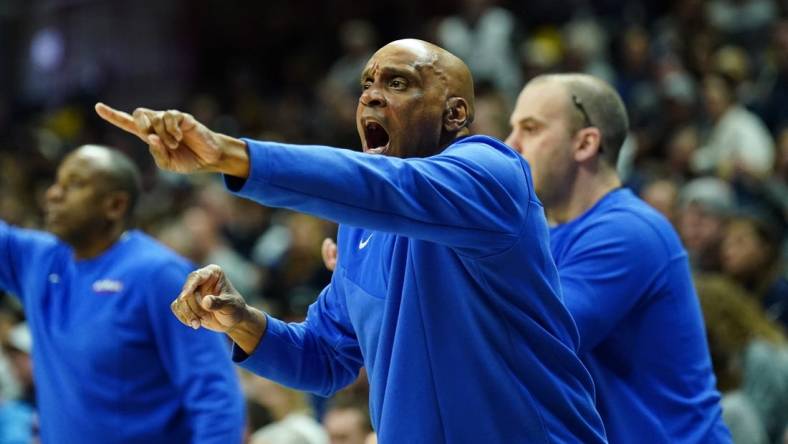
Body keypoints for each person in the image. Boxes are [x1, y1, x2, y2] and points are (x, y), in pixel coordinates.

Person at [96, 39, 607, 442]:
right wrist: (242, 321)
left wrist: (230, 154)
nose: (371, 95)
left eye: (398, 82)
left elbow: (391, 187)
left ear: (454, 114)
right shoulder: (360, 223)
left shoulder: (493, 175)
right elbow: (326, 357)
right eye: (367, 83)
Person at [504, 74, 731, 442]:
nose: (510, 145)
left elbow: (539, 339)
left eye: (530, 129)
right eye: (512, 128)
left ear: (585, 143)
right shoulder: (546, 233)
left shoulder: (629, 230)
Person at [0, 145, 245, 443]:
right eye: (57, 183)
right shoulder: (39, 260)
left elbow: (216, 398)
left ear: (115, 205)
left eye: (74, 184)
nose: (53, 194)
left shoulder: (158, 275)